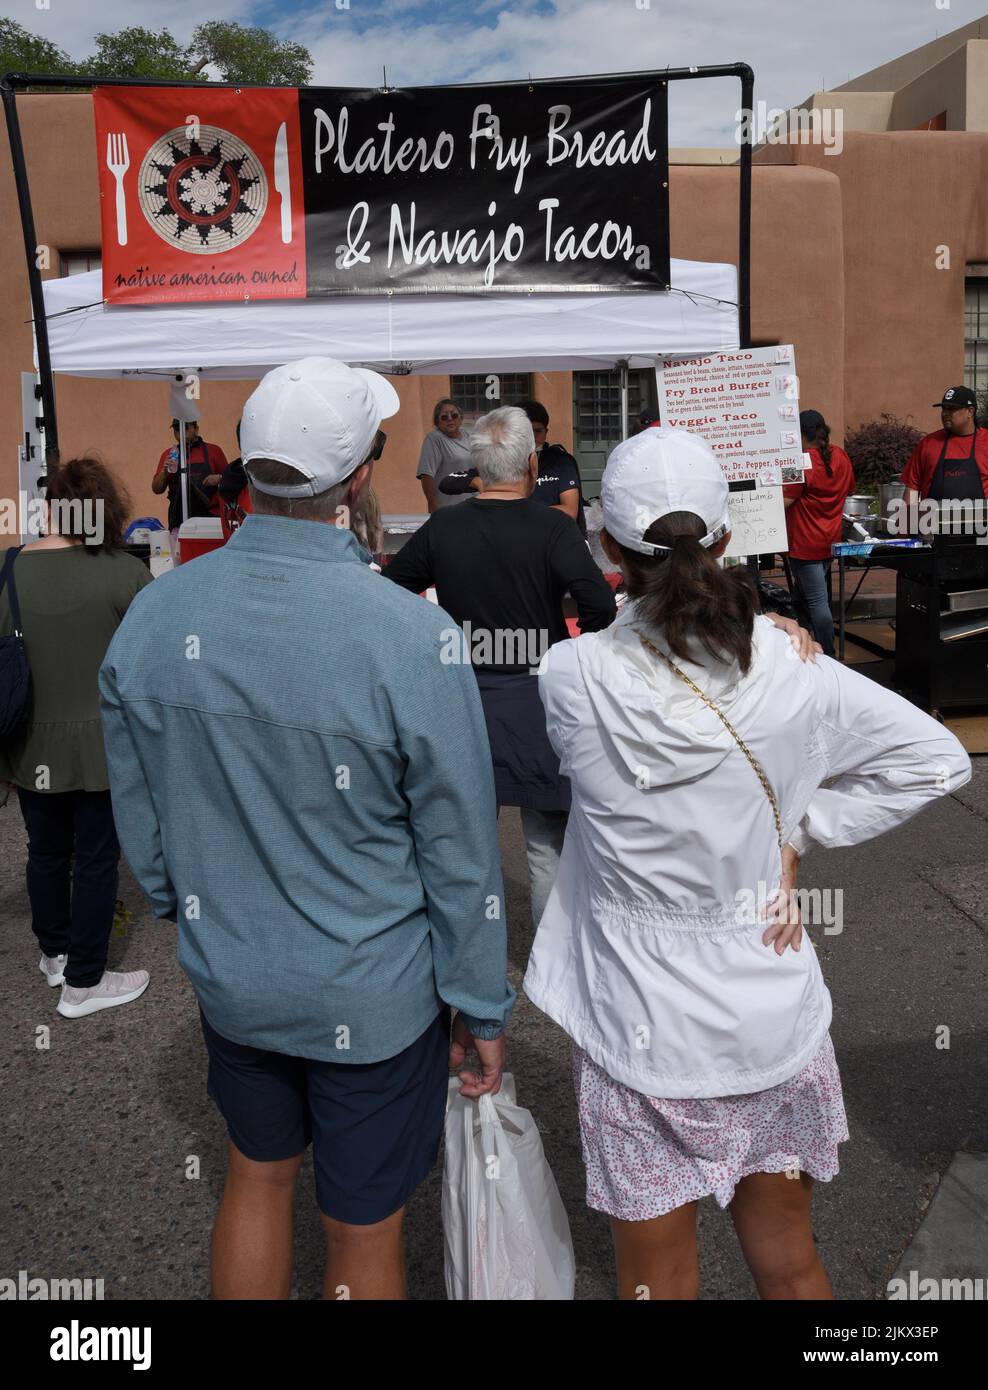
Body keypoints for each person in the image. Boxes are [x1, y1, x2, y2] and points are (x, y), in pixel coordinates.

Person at [99, 357, 513, 1301]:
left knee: (256, 1174)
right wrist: (479, 1001)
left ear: (244, 467)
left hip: (234, 972)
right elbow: (458, 850)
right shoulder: (410, 638)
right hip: (372, 989)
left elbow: (140, 799)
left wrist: (173, 897)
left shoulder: (158, 615)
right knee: (361, 1227)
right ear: (359, 476)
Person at [524, 426, 971, 1301]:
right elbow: (938, 761)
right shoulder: (794, 668)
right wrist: (802, 828)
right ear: (730, 538)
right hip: (772, 1012)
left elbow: (638, 647)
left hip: (636, 1025)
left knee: (657, 1280)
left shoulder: (568, 675)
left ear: (608, 544)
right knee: (792, 1258)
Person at [387, 405, 616, 930]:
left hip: (463, 701)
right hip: (541, 703)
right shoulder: (553, 529)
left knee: (467, 845)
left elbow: (391, 591)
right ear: (532, 464)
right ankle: (550, 961)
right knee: (545, 844)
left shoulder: (443, 526)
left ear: (477, 467)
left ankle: (469, 954)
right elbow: (598, 606)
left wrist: (440, 640)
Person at [0, 457, 152, 1017]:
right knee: (94, 859)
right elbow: (149, 661)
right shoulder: (122, 572)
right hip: (100, 745)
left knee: (44, 852)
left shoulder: (7, 568)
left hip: (27, 741)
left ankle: (55, 953)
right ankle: (84, 982)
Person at [439, 399, 588, 534]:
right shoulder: (498, 458)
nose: (533, 437)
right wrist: (478, 482)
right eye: (527, 432)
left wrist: (520, 513)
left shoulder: (560, 461)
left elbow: (569, 510)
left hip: (549, 536)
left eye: (538, 431)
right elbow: (447, 482)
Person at [782, 409, 855, 657]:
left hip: (803, 543)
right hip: (829, 541)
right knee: (803, 598)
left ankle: (828, 654)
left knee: (817, 603)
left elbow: (784, 501)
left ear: (802, 434)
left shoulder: (798, 461)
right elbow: (850, 490)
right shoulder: (841, 457)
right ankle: (803, 643)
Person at [902, 386, 988, 505]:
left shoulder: (986, 442)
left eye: (951, 409)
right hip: (932, 522)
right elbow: (913, 487)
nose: (945, 414)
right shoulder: (929, 443)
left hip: (981, 522)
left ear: (970, 411)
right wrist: (907, 520)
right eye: (944, 409)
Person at [151, 418, 228, 541]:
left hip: (210, 521)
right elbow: (156, 489)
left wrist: (219, 478)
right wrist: (164, 472)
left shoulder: (214, 451)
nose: (181, 433)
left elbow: (231, 482)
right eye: (177, 429)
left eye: (185, 428)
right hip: (178, 522)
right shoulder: (170, 454)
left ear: (196, 429)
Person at [416, 398, 472, 512]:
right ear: (438, 421)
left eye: (454, 415)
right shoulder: (434, 439)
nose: (450, 419)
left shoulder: (468, 436)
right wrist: (432, 503)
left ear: (461, 418)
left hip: (472, 505)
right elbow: (426, 474)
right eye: (444, 417)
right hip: (449, 507)